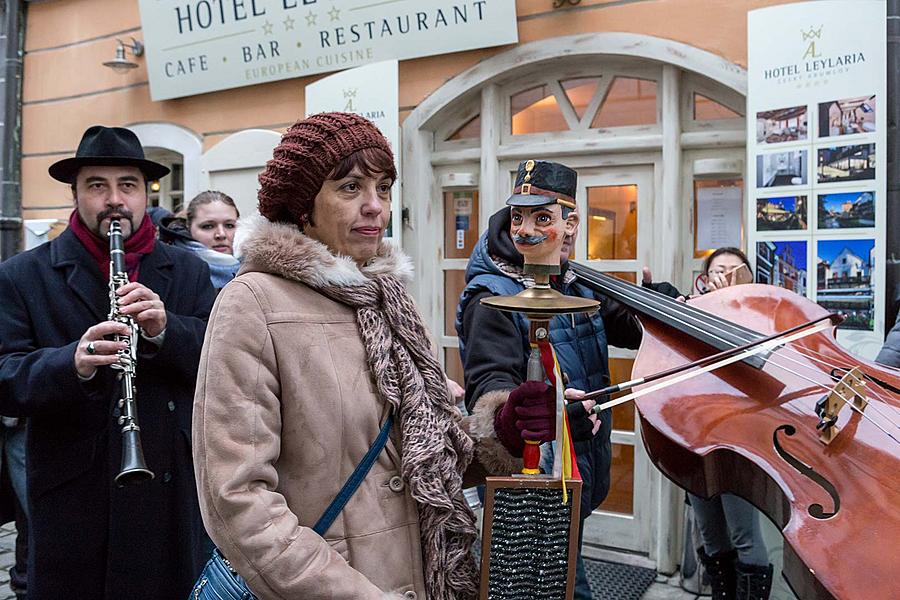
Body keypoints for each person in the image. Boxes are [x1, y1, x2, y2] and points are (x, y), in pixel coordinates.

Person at [191, 112, 543, 599]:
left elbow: (425, 457)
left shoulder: (390, 302)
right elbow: (238, 502)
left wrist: (500, 430)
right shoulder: (254, 304)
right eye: (351, 187)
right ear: (303, 208)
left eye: (384, 187)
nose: (375, 206)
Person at [0, 125, 216, 599]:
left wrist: (165, 330)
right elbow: (6, 376)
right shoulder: (23, 275)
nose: (114, 199)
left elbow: (220, 363)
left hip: (166, 486)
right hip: (72, 496)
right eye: (97, 185)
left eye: (128, 185)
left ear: (144, 194)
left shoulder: (188, 271)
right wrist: (71, 363)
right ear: (75, 194)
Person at [455, 160, 645, 600]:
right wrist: (534, 412)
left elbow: (629, 327)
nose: (527, 231)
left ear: (571, 224)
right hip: (534, 481)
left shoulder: (575, 282)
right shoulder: (490, 295)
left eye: (544, 218)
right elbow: (490, 385)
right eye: (520, 217)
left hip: (574, 472)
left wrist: (665, 306)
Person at [688, 247, 773, 600]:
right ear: (704, 279)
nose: (727, 275)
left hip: (740, 441)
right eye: (719, 270)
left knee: (744, 535)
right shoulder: (691, 314)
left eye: (736, 270)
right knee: (711, 534)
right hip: (695, 437)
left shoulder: (761, 317)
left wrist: (737, 304)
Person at [153, 191, 241, 290]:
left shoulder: (254, 266)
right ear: (188, 228)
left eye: (229, 225)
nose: (221, 234)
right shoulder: (168, 269)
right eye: (208, 226)